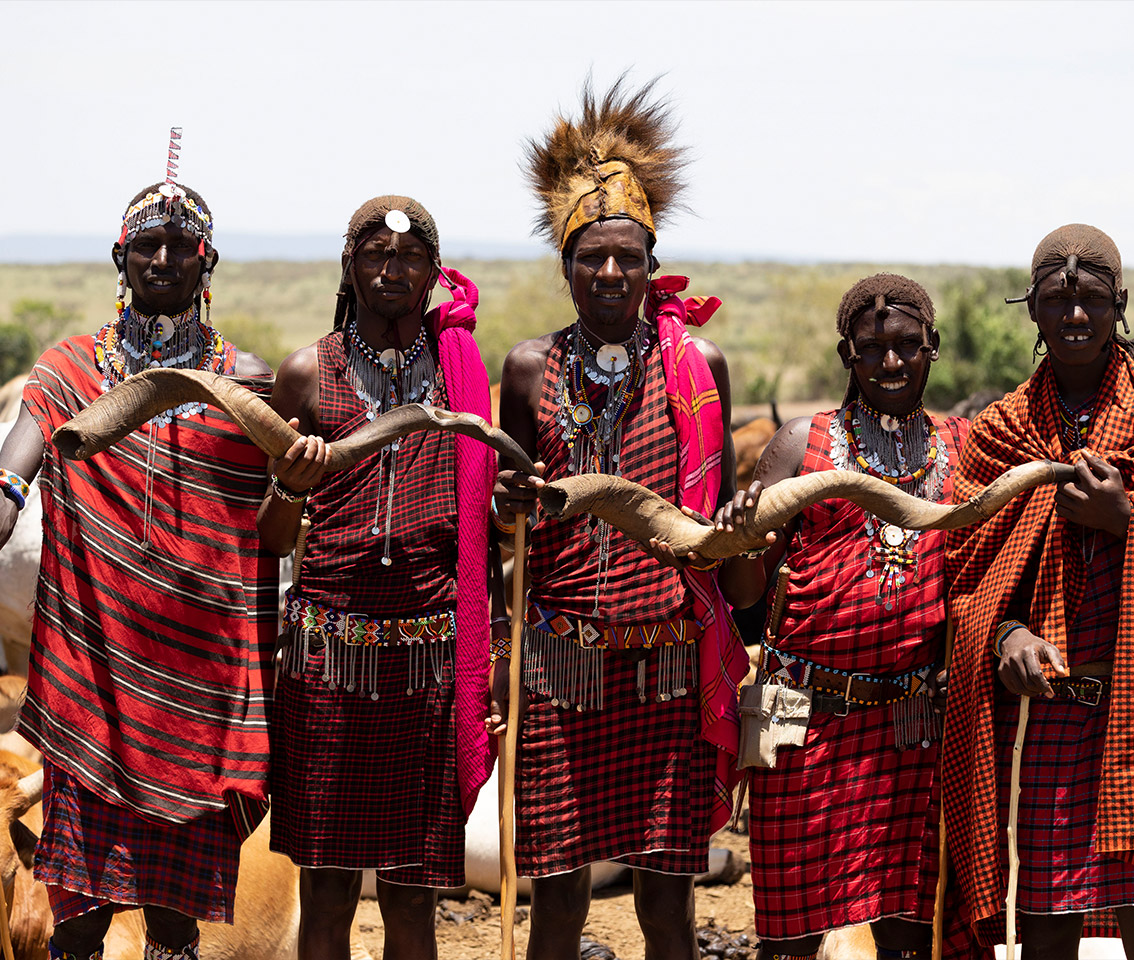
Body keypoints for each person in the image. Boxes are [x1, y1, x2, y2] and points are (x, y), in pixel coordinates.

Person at [490, 78, 746, 960]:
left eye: (625, 257)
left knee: (666, 911)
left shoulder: (696, 363)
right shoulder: (528, 370)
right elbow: (503, 515)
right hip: (560, 671)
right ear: (564, 266)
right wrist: (510, 507)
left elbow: (714, 512)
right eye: (589, 257)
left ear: (650, 262)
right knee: (556, 905)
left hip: (666, 671)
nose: (607, 273)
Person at [0, 176, 275, 960]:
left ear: (206, 261)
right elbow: (11, 477)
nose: (164, 256)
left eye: (181, 245)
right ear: (120, 258)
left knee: (174, 921)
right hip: (92, 680)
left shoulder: (245, 384)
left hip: (199, 686)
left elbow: (278, 527)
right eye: (147, 244)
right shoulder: (68, 371)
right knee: (80, 917)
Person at [942, 224, 1134, 959]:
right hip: (1041, 719)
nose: (1075, 316)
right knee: (1045, 933)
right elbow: (967, 573)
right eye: (1057, 300)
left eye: (1090, 299)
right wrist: (1006, 635)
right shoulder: (999, 433)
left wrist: (1131, 520)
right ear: (1033, 311)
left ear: (1121, 303)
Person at [259, 196, 497, 960]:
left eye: (410, 258)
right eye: (375, 255)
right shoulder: (305, 374)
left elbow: (486, 524)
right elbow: (269, 538)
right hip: (328, 661)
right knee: (325, 891)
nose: (392, 270)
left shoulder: (462, 375)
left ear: (433, 272)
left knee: (412, 897)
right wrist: (292, 488)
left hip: (429, 663)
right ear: (349, 265)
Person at [718, 274, 967, 960]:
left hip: (913, 724)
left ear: (933, 347)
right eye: (872, 348)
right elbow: (742, 594)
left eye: (907, 346)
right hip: (803, 721)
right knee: (790, 937)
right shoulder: (803, 444)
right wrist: (743, 538)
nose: (891, 362)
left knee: (909, 932)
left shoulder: (964, 447)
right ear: (847, 356)